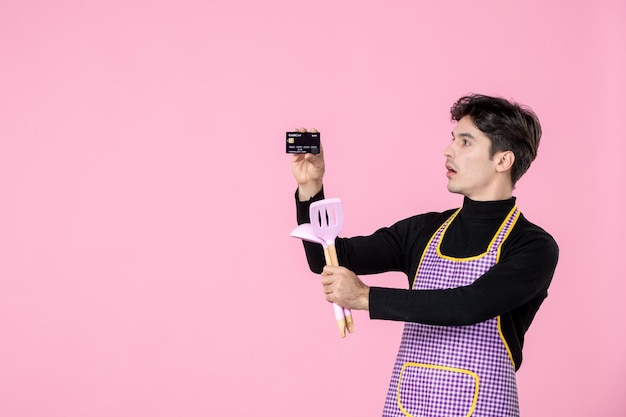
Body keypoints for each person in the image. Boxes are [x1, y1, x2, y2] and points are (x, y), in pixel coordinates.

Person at [290, 94, 559, 417]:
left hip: (484, 407)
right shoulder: (423, 231)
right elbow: (329, 257)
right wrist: (310, 189)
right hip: (409, 404)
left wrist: (365, 297)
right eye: (453, 139)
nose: (448, 151)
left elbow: (469, 304)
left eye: (466, 142)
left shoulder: (532, 246)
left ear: (503, 161)